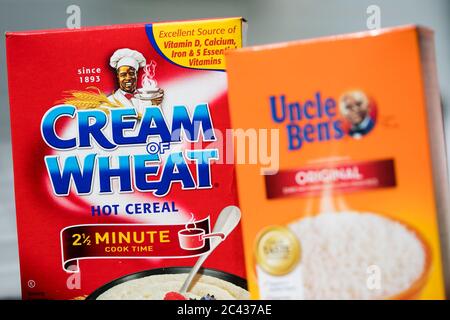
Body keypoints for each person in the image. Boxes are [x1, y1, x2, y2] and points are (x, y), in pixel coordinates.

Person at [108, 48, 164, 114]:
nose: (128, 78)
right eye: (123, 74)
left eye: (131, 73)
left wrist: (155, 105)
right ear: (118, 76)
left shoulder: (147, 98)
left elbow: (155, 120)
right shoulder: (109, 101)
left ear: (136, 75)